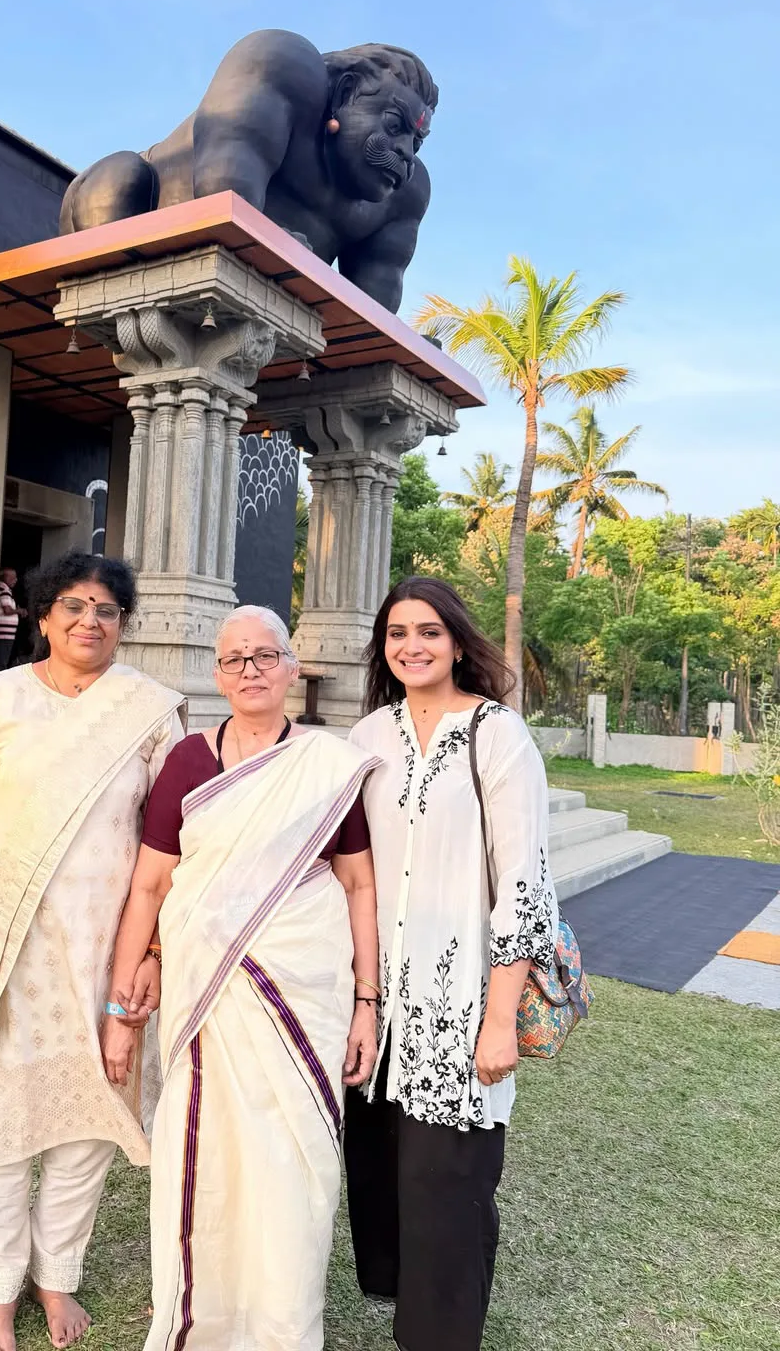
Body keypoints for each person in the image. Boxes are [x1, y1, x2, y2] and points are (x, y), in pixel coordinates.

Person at [101, 606, 381, 1351]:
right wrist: (123, 994)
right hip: (204, 1000)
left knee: (298, 1163)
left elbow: (358, 885)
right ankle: (205, 1322)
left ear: (293, 667)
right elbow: (152, 887)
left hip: (306, 994)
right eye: (235, 659)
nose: (251, 670)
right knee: (209, 1152)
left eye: (266, 655)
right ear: (218, 674)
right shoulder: (188, 763)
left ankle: (284, 1329)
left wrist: (366, 1004)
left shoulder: (327, 766)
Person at [0, 552, 185, 1351]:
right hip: (7, 949)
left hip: (107, 949)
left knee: (88, 1121)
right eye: (71, 606)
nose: (88, 621)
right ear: (41, 616)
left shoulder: (150, 710)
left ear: (124, 624)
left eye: (107, 609)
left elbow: (175, 841)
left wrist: (150, 959)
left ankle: (56, 1275)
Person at [345, 576, 558, 1351]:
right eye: (397, 633)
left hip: (461, 990)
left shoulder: (498, 735)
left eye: (428, 631)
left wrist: (499, 1019)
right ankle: (391, 1280)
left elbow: (525, 888)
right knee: (377, 1156)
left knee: (449, 1178)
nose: (412, 646)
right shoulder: (366, 737)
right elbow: (345, 862)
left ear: (458, 641)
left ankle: (438, 1332)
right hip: (375, 991)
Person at [0, 568, 22, 673]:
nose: (16, 580)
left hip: (5, 633)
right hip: (4, 634)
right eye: (13, 577)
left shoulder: (3, 589)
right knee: (2, 663)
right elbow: (7, 610)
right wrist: (20, 611)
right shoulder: (3, 589)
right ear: (5, 577)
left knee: (2, 661)